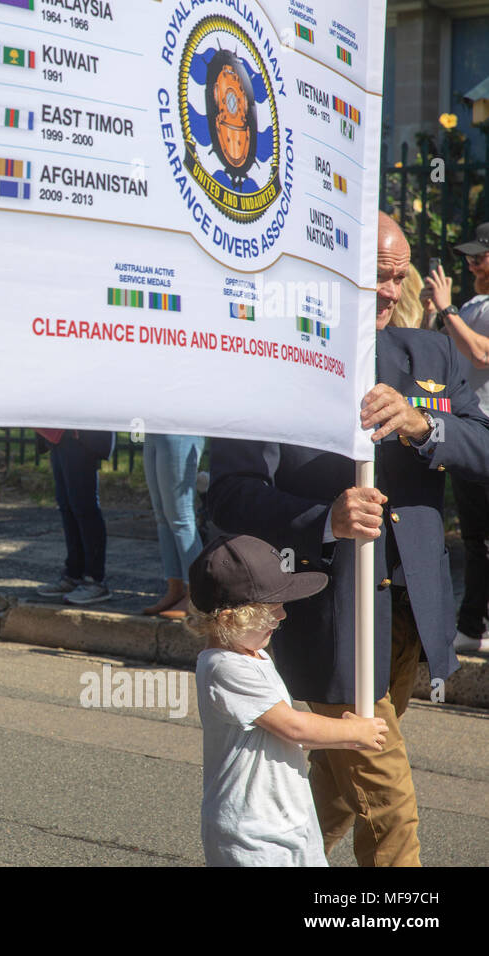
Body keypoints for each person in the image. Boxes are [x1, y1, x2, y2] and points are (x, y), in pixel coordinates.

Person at [207, 211, 489, 867]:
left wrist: (425, 427)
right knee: (390, 802)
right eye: (376, 279)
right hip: (332, 613)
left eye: (399, 277)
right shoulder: (274, 358)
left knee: (336, 792)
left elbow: (482, 443)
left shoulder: (429, 352)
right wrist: (324, 519)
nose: (391, 293)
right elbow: (229, 491)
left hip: (409, 614)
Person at [188, 534, 388, 867]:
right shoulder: (223, 666)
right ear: (228, 619)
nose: (282, 616)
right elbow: (293, 727)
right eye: (269, 611)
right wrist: (353, 733)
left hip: (284, 817)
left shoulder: (252, 655)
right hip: (251, 833)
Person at [427, 222, 489, 654]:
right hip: (468, 427)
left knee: (480, 536)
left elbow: (482, 354)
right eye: (468, 256)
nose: (470, 264)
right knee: (475, 535)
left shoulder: (469, 307)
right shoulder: (473, 304)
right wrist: (436, 312)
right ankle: (474, 624)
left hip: (483, 429)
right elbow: (443, 350)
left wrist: (448, 311)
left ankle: (475, 624)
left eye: (479, 256)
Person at [35, 428, 115, 604]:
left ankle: (95, 580)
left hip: (80, 436)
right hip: (59, 436)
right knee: (67, 506)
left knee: (84, 507)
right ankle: (74, 574)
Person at [141, 433, 207, 619]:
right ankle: (175, 589)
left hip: (179, 430)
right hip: (152, 429)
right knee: (162, 516)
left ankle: (197, 596)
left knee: (181, 517)